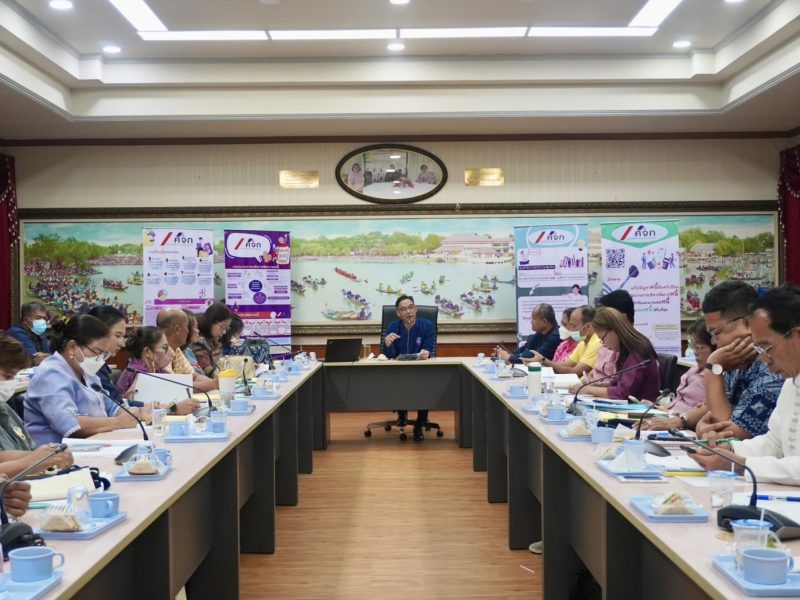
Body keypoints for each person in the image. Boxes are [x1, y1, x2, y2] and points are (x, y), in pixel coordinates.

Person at [689, 284, 800, 484]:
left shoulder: (781, 377)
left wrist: (740, 465)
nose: (764, 359)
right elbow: (774, 443)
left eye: (766, 348)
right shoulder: (791, 382)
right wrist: (729, 449)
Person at [24, 315, 151, 445]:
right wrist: (119, 422)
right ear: (72, 347)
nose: (100, 360)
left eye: (104, 354)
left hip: (90, 446)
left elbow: (111, 406)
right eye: (97, 352)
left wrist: (135, 414)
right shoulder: (50, 375)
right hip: (55, 452)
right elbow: (69, 424)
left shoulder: (87, 373)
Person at [695, 280, 783, 441]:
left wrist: (713, 367)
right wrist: (701, 427)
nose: (713, 342)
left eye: (716, 333)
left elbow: (728, 437)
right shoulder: (735, 361)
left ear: (748, 323)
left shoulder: (775, 370)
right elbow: (711, 416)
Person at [0, 335, 75, 477]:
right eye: (8, 376)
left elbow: (22, 449)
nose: (11, 383)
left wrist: (49, 455)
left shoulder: (4, 408)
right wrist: (29, 462)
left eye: (14, 377)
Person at [568, 307, 660, 401]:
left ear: (614, 330)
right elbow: (621, 380)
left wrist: (587, 390)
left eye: (602, 338)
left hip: (641, 407)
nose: (604, 345)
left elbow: (623, 393)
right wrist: (601, 385)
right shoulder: (626, 348)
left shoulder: (638, 349)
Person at [641, 317, 713, 432]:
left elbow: (702, 412)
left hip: (684, 427)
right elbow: (679, 403)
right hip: (671, 418)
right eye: (693, 346)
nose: (695, 352)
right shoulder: (695, 369)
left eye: (700, 347)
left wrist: (671, 416)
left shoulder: (717, 376)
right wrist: (658, 408)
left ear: (715, 346)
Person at [383, 295, 436, 441]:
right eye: (403, 309)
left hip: (421, 371)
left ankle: (420, 423)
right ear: (398, 313)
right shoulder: (393, 327)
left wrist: (426, 353)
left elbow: (428, 349)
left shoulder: (427, 325)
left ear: (416, 309)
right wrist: (388, 344)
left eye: (411, 307)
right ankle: (402, 413)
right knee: (398, 381)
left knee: (425, 385)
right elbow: (390, 356)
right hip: (398, 372)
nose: (408, 311)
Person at [115, 326, 201, 415]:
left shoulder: (158, 370)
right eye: (165, 348)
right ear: (148, 352)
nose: (170, 353)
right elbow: (150, 409)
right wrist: (174, 408)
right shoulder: (137, 374)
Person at [528, 306, 600, 377]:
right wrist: (543, 360)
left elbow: (575, 372)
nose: (570, 330)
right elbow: (565, 364)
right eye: (570, 325)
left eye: (574, 326)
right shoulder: (583, 342)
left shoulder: (596, 342)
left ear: (588, 326)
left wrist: (543, 360)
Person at [157, 308, 217, 392]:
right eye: (186, 327)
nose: (188, 331)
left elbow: (194, 376)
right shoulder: (161, 353)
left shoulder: (176, 349)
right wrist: (214, 384)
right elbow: (174, 386)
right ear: (177, 329)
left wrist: (215, 383)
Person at [587, 290, 636, 382]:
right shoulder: (610, 337)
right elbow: (595, 372)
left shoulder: (631, 344)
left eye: (607, 315)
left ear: (622, 317)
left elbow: (619, 386)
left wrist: (591, 387)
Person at [87, 304, 128, 405]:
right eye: (117, 336)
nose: (122, 343)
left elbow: (111, 404)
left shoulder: (99, 364)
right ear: (99, 333)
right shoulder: (90, 366)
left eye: (123, 337)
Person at [495, 303, 560, 364]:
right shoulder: (539, 333)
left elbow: (534, 357)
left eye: (534, 318)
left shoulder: (556, 336)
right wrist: (505, 354)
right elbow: (525, 349)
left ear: (544, 322)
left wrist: (509, 357)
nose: (531, 321)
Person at [192, 302, 232, 378]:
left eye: (226, 328)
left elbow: (221, 366)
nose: (224, 332)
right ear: (211, 322)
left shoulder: (214, 341)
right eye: (222, 327)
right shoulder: (198, 342)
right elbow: (208, 370)